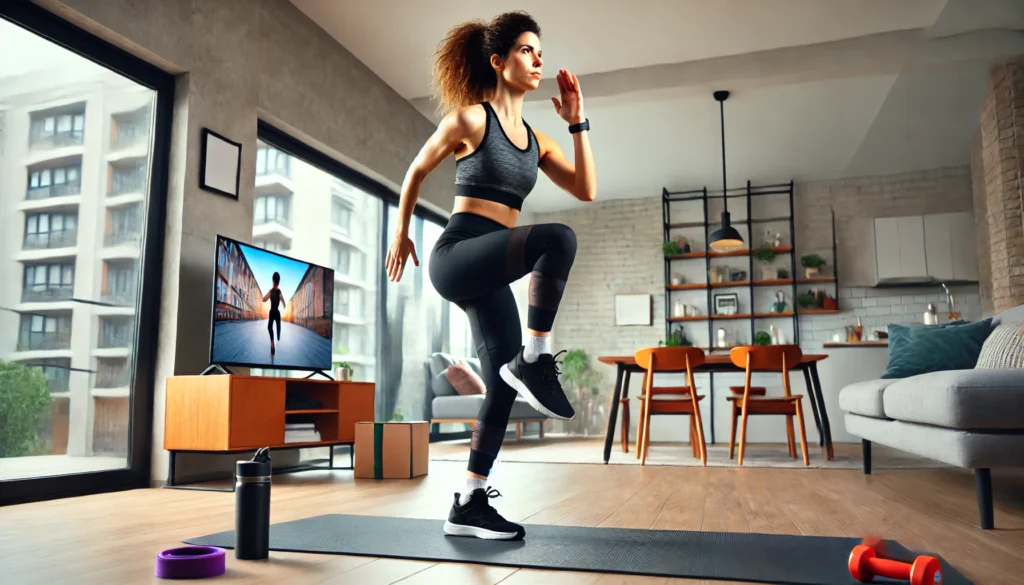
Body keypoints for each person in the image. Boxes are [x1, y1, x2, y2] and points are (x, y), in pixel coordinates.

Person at [384, 10, 596, 541]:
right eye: (526, 50)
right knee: (557, 239)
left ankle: (470, 502)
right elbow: (415, 170)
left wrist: (577, 120)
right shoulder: (469, 120)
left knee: (499, 384)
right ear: (499, 62)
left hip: (489, 270)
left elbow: (586, 189)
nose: (538, 59)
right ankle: (536, 357)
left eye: (539, 50)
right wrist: (401, 232)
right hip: (457, 254)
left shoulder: (537, 141)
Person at [263, 271, 285, 356]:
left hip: (272, 311)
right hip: (277, 312)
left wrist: (261, 299)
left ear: (273, 281)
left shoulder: (271, 291)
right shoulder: (279, 291)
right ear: (278, 282)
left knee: (269, 327)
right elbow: (282, 299)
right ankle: (278, 336)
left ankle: (272, 341)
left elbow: (264, 299)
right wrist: (284, 304)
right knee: (278, 326)